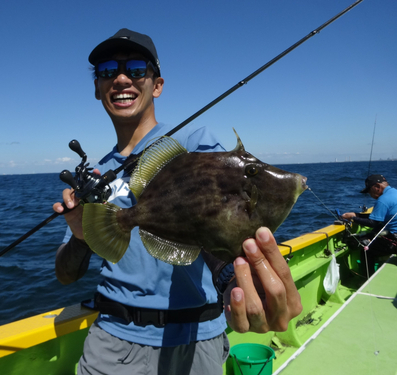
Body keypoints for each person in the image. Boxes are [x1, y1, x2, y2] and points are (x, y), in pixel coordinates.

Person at [53, 28, 302, 375]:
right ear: (98, 88)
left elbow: (214, 222)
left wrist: (235, 278)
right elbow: (66, 274)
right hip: (111, 339)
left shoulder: (193, 143)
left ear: (157, 85)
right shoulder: (97, 175)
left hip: (193, 338)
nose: (122, 78)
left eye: (137, 69)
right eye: (108, 70)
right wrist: (81, 235)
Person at [342, 174, 397, 275]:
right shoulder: (394, 192)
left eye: (369, 191)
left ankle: (366, 278)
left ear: (377, 187)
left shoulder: (383, 200)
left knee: (367, 249)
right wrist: (357, 215)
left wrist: (353, 218)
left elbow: (373, 223)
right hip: (393, 235)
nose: (370, 195)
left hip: (394, 242)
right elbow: (378, 217)